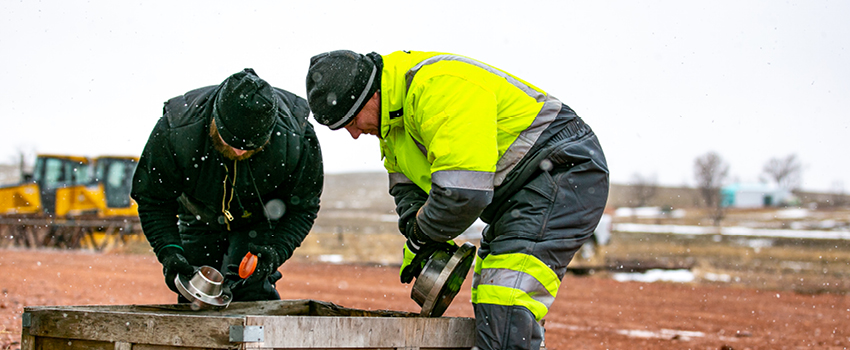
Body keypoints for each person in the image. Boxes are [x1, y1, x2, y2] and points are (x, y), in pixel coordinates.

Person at [305, 50, 609, 350]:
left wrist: (422, 238)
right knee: (495, 301)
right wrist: (416, 233)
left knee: (504, 298)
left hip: (561, 171)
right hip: (520, 192)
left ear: (369, 96)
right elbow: (407, 190)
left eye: (351, 121)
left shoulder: (438, 89)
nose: (354, 134)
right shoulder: (393, 128)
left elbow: (463, 194)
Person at [132, 68, 323, 302]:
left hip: (258, 219)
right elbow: (153, 199)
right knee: (196, 294)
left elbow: (302, 208)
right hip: (198, 214)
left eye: (251, 146)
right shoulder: (176, 130)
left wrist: (275, 252)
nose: (239, 151)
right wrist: (170, 251)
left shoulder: (297, 138)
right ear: (215, 119)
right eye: (230, 140)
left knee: (251, 291)